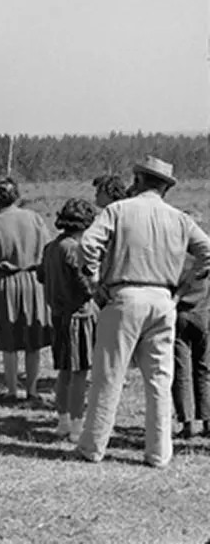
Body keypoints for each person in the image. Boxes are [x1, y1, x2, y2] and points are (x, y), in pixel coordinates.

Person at [77, 156, 210, 468]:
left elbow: (88, 244)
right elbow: (206, 251)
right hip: (164, 300)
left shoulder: (117, 210)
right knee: (159, 380)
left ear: (137, 180)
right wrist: (184, 286)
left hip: (124, 295)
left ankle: (93, 446)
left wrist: (95, 281)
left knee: (108, 375)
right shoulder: (179, 219)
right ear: (166, 187)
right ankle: (159, 452)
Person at [0, 177, 51, 401]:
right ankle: (32, 389)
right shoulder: (35, 219)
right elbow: (48, 251)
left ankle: (11, 389)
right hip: (34, 281)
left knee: (8, 339)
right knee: (33, 339)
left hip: (6, 284)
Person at [37, 198, 98, 442]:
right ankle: (77, 425)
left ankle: (62, 421)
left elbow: (41, 275)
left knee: (63, 371)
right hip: (79, 317)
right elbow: (82, 282)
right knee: (80, 373)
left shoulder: (51, 247)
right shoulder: (74, 247)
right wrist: (95, 288)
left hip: (58, 316)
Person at [172, 247, 210, 439]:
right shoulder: (204, 258)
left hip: (180, 314)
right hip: (202, 314)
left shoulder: (175, 256)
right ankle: (207, 420)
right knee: (203, 369)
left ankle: (187, 423)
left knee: (181, 371)